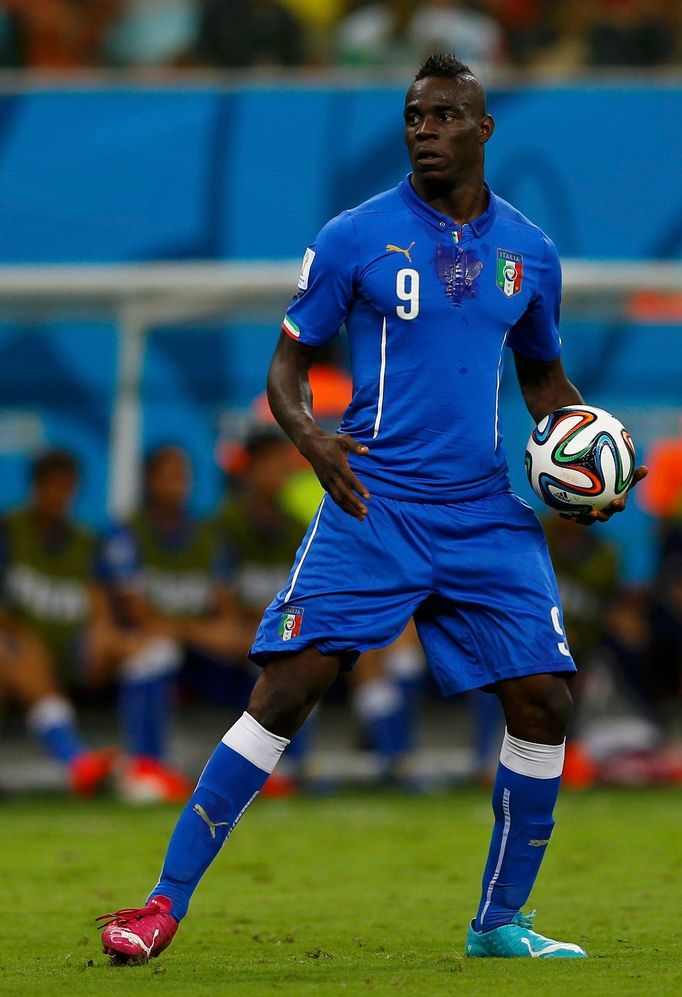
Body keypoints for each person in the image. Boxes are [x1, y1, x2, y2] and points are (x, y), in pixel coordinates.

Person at [98, 51, 646, 962]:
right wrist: (311, 438)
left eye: (442, 116)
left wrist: (593, 463)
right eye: (413, 117)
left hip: (481, 511)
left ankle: (499, 922)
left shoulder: (529, 252)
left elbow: (545, 381)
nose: (424, 130)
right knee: (286, 690)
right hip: (373, 499)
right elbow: (286, 370)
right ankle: (161, 903)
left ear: (483, 128)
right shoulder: (355, 236)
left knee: (545, 699)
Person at [98, 444, 255, 802]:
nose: (177, 485)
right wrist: (192, 630)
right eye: (168, 476)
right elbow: (139, 615)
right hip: (153, 648)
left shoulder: (208, 538)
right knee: (156, 652)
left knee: (262, 654)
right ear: (149, 481)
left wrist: (191, 632)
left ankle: (271, 769)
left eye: (183, 477)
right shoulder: (128, 535)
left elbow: (226, 612)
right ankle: (147, 766)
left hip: (200, 653)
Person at [0, 450, 120, 795]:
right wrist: (20, 632)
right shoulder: (9, 531)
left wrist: (101, 631)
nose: (59, 496)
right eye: (52, 486)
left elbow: (99, 605)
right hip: (19, 649)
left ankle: (144, 766)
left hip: (72, 650)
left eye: (66, 488)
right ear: (35, 486)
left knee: (144, 647)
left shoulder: (85, 541)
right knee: (13, 653)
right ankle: (78, 761)